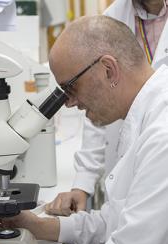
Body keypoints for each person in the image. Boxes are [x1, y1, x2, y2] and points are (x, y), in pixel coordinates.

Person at [0, 15, 168, 244]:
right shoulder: (142, 116)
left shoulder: (161, 136)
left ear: (108, 70)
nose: (68, 103)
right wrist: (38, 225)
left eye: (70, 87)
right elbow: (116, 222)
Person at [45, 0, 168, 216]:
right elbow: (97, 102)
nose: (71, 102)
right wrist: (82, 183)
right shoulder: (115, 15)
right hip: (127, 157)